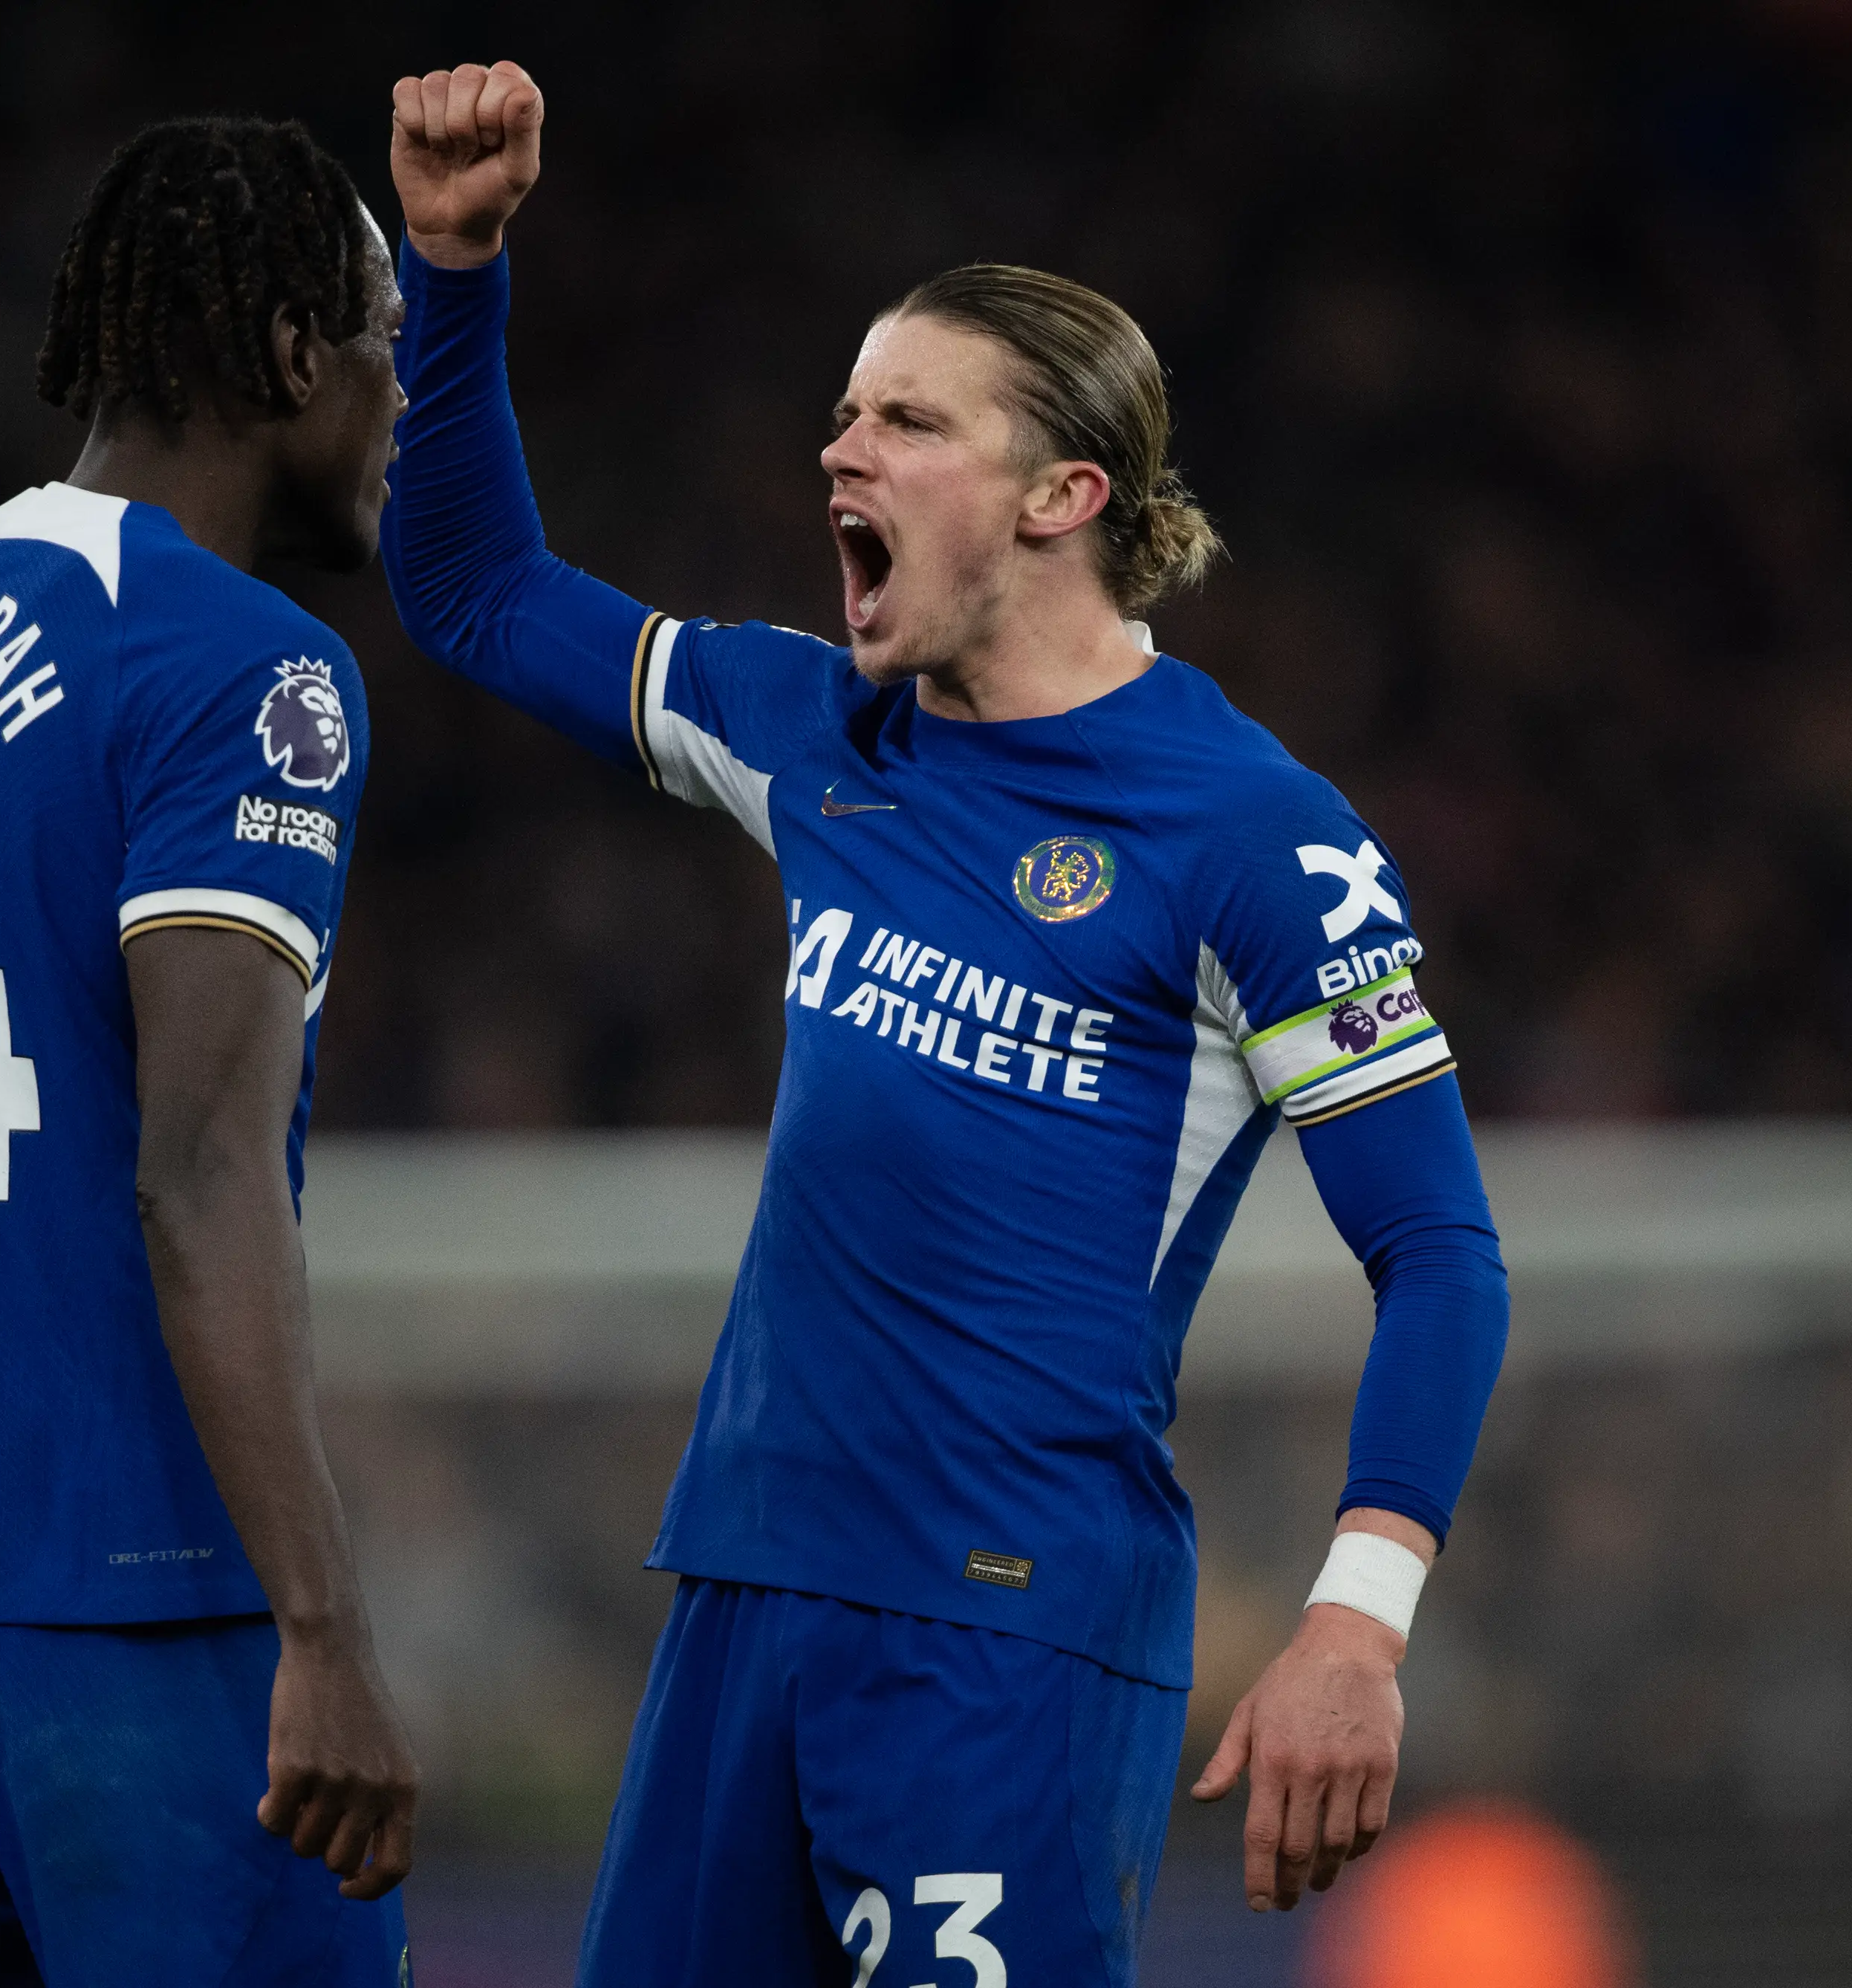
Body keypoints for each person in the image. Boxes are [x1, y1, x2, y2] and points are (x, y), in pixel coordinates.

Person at [384, 62, 1511, 1985]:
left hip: (1008, 1630)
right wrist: (457, 267)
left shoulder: (1255, 840)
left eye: (908, 418)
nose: (841, 451)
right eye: (841, 411)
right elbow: (477, 588)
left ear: (1065, 493)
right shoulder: (819, 735)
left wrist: (1356, 1618)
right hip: (748, 1584)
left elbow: (1441, 1252)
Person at [0, 116, 417, 1985]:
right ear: (295, 356)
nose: (398, 402)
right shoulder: (242, 668)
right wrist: (326, 1625)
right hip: (139, 1603)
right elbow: (197, 1176)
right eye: (385, 345)